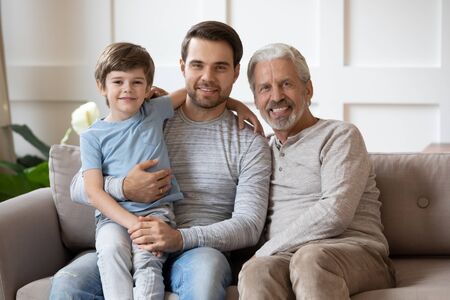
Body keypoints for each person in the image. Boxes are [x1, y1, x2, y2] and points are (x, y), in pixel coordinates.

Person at [49, 21, 271, 300]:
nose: (207, 77)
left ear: (236, 72)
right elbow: (78, 187)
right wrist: (125, 187)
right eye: (197, 65)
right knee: (69, 283)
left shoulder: (250, 142)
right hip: (132, 236)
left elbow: (249, 226)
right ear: (182, 67)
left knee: (205, 277)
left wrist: (179, 238)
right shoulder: (146, 117)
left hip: (196, 252)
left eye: (220, 67)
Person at [237, 43, 396, 299]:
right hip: (285, 257)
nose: (276, 96)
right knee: (256, 270)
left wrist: (267, 249)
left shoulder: (340, 136)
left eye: (286, 84)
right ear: (255, 99)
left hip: (355, 252)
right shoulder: (260, 150)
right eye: (265, 88)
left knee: (310, 259)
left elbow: (335, 213)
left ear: (307, 89)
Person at [80, 42, 187, 300]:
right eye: (118, 81)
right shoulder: (92, 137)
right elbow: (93, 192)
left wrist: (235, 104)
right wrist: (132, 224)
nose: (128, 89)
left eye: (137, 82)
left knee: (148, 264)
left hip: (156, 214)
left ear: (148, 87)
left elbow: (191, 93)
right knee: (111, 250)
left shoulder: (154, 110)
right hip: (113, 219)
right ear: (101, 86)